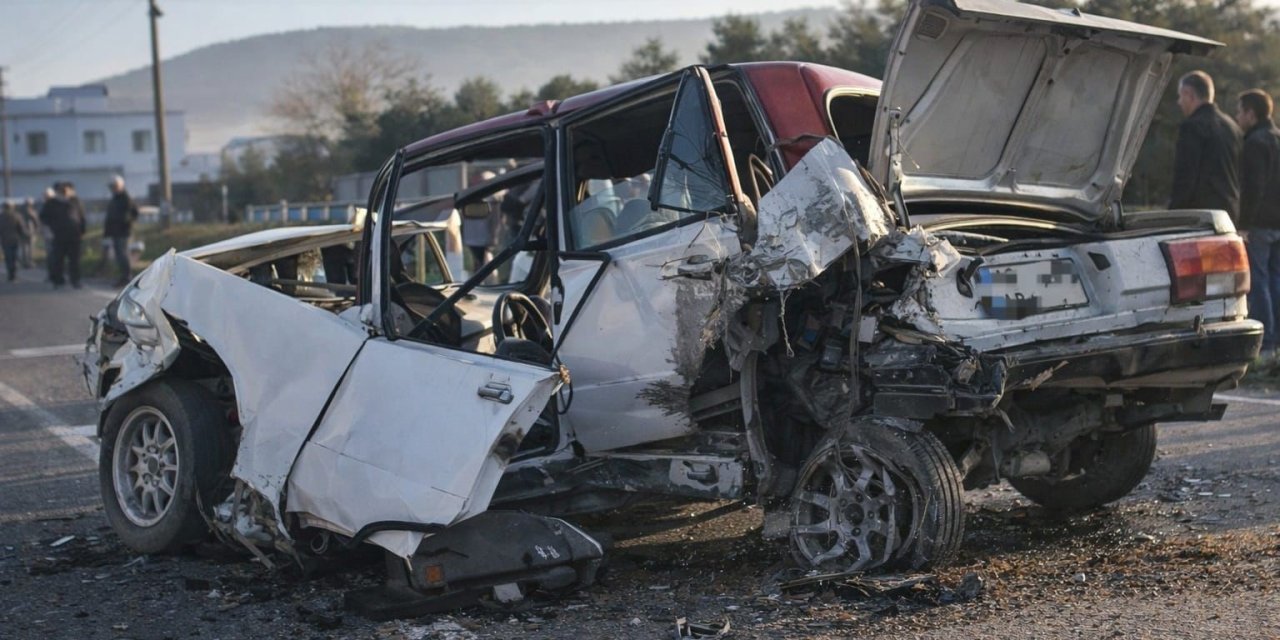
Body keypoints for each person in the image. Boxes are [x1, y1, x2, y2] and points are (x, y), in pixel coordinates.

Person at [1234, 88, 1280, 362]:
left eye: (1240, 111)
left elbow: (1252, 188)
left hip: (1261, 223)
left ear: (1251, 114)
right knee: (1276, 278)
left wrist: (1244, 224)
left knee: (1259, 279)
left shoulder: (1255, 143)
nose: (1237, 117)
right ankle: (1277, 342)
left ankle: (1267, 341)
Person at [1170, 70, 1243, 218]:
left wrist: (1174, 212)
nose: (1179, 102)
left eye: (1180, 96)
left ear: (1188, 94)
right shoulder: (1232, 126)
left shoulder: (1192, 127)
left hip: (1200, 215)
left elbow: (1185, 175)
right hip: (1229, 214)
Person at [40, 181, 86, 289]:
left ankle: (76, 280)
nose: (65, 192)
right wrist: (51, 228)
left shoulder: (75, 201)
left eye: (66, 190)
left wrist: (82, 231)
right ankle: (58, 281)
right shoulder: (52, 203)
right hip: (58, 236)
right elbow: (43, 217)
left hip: (74, 236)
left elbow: (82, 217)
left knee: (74, 260)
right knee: (58, 260)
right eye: (62, 190)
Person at [104, 175, 139, 286]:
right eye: (112, 186)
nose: (113, 188)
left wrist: (127, 222)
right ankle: (124, 276)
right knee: (119, 255)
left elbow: (134, 213)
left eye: (115, 186)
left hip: (123, 231)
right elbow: (110, 216)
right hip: (115, 231)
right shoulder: (114, 199)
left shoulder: (126, 198)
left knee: (123, 254)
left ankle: (128, 276)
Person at [0, 202, 29, 282]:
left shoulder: (1, 217)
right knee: (14, 257)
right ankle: (14, 274)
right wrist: (26, 235)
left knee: (8, 257)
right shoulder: (17, 216)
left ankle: (10, 274)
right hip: (15, 239)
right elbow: (22, 228)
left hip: (5, 240)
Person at [18, 198, 38, 268]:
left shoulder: (20, 211)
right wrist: (36, 229)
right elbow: (35, 220)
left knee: (24, 248)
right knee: (30, 248)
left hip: (21, 230)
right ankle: (29, 262)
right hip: (30, 230)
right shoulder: (30, 211)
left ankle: (24, 262)